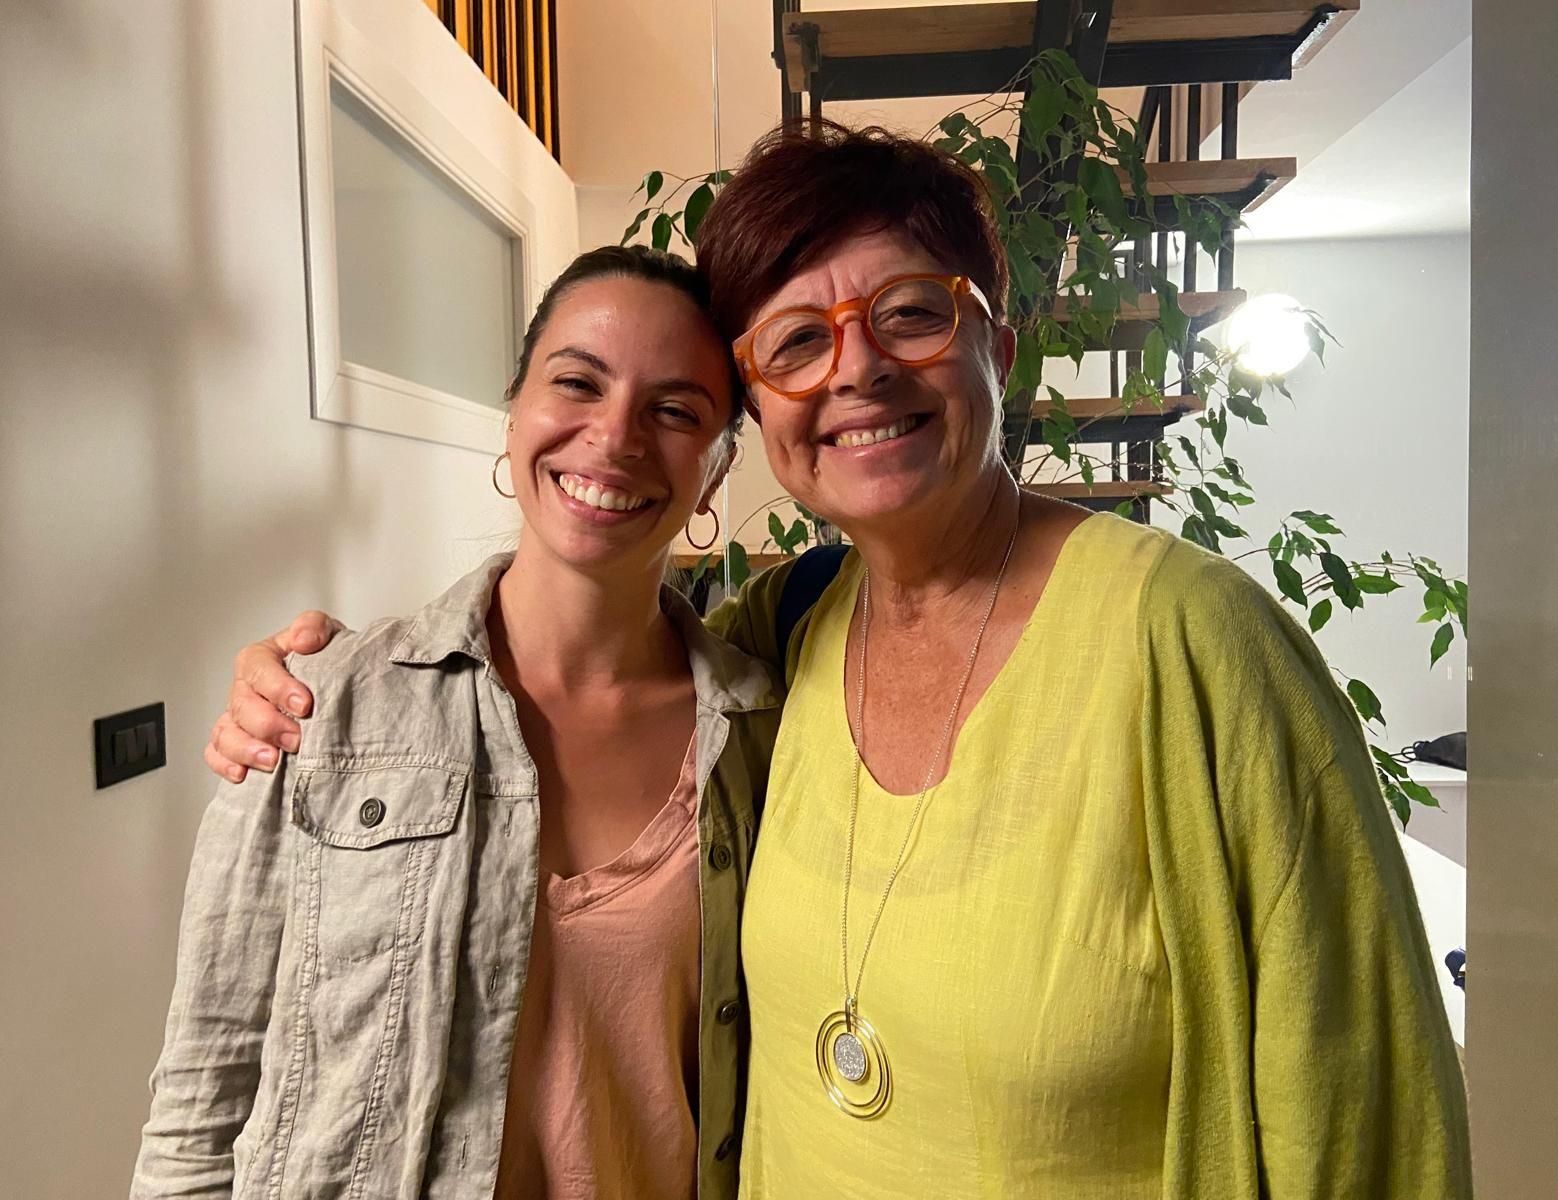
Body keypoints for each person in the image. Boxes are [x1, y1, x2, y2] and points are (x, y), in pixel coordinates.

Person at [208, 122, 1472, 1197]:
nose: (857, 366)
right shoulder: (777, 643)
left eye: (912, 315)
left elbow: (1368, 1109)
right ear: (766, 422)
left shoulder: (1196, 645)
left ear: (1000, 351)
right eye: (796, 342)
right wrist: (307, 679)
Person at [134, 246, 780, 1199]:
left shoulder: (762, 741)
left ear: (716, 471)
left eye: (676, 411)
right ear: (515, 409)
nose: (614, 436)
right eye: (577, 382)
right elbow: (205, 1082)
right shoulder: (323, 703)